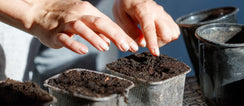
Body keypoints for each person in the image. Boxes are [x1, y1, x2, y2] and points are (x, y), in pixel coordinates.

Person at [0, 0, 180, 85]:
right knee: (14, 90)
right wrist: (34, 12)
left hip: (87, 8)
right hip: (13, 11)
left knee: (90, 88)